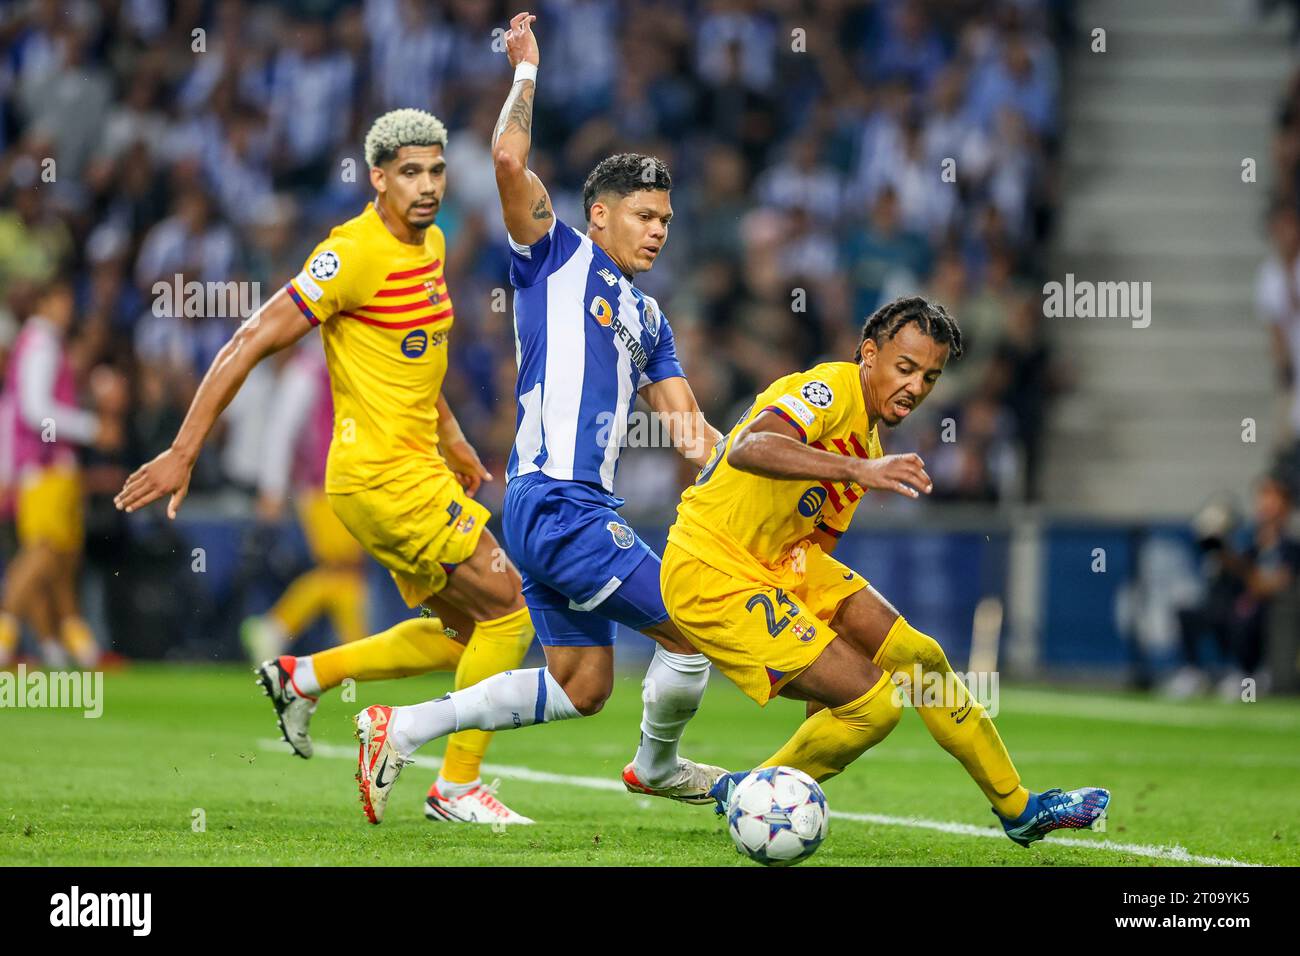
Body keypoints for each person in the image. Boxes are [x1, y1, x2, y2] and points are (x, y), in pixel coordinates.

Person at [350, 12, 727, 825]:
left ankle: (403, 729)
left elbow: (691, 430)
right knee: (693, 626)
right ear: (600, 215)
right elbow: (507, 158)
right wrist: (526, 71)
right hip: (555, 500)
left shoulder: (652, 320)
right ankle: (657, 768)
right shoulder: (556, 254)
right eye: (644, 217)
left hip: (565, 509)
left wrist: (754, 472)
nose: (659, 231)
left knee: (583, 685)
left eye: (666, 219)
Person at [114, 108, 539, 826]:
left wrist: (454, 434)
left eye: (436, 170)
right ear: (376, 177)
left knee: (470, 633)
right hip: (380, 476)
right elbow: (249, 338)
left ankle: (304, 676)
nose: (428, 185)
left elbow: (416, 359)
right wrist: (184, 451)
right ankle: (455, 786)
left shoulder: (432, 244)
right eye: (410, 171)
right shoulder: (350, 255)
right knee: (512, 613)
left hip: (416, 469)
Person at [665, 296, 1109, 847]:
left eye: (930, 376)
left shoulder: (870, 443)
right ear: (869, 354)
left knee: (920, 658)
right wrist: (859, 469)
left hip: (784, 564)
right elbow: (750, 448)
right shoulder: (827, 390)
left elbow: (812, 549)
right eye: (905, 368)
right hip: (712, 566)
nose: (916, 387)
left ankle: (1020, 809)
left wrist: (825, 675)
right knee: (875, 706)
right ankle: (749, 793)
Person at [0, 279, 121, 669]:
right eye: (64, 299)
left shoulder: (37, 344)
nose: (70, 308)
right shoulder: (42, 343)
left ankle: (69, 647)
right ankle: (4, 638)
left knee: (62, 562)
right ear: (46, 301)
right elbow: (36, 411)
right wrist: (91, 427)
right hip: (47, 465)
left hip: (43, 467)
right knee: (43, 555)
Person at [240, 338, 368, 660]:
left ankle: (353, 646)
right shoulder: (308, 370)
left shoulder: (337, 365)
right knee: (343, 568)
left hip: (347, 482)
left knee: (344, 571)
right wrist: (272, 488)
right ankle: (278, 626)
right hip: (321, 485)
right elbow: (282, 431)